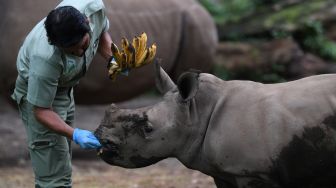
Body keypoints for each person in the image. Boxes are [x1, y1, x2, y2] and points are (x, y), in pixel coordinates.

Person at [11, 0, 113, 187]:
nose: (79, 52)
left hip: (65, 87)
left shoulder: (93, 8)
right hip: (38, 95)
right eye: (71, 51)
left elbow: (101, 30)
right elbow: (41, 111)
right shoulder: (44, 59)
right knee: (54, 177)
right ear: (55, 43)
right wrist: (75, 134)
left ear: (87, 23)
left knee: (61, 160)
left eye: (82, 44)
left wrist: (112, 59)